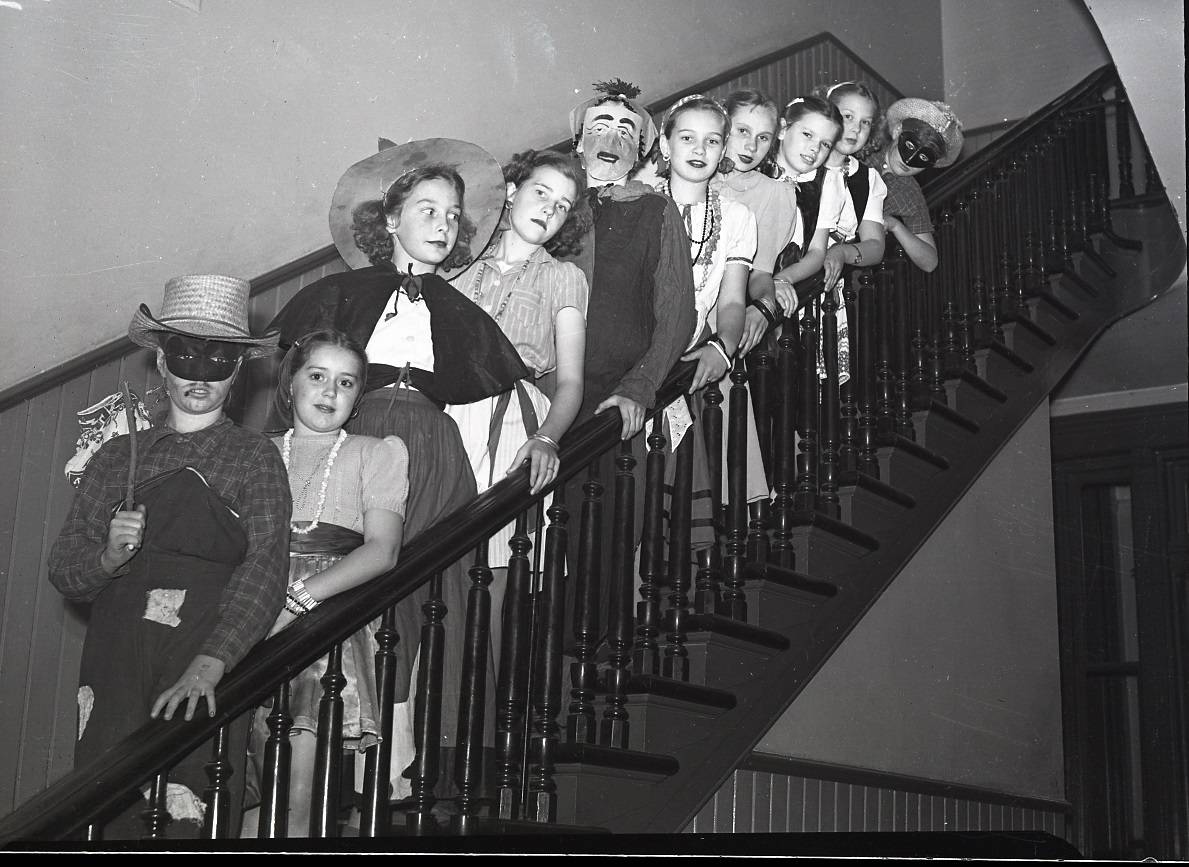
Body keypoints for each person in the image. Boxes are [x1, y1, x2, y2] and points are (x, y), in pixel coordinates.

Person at [266, 137, 526, 810]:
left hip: (434, 451)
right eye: (426, 209)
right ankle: (350, 770)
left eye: (452, 214)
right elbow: (297, 383)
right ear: (389, 220)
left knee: (431, 596)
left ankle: (412, 768)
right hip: (367, 435)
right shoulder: (341, 294)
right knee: (366, 599)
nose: (441, 224)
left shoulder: (462, 310)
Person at [47, 274, 291, 838]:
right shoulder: (115, 458)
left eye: (219, 360)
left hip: (202, 651)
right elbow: (65, 568)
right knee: (104, 800)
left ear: (238, 370)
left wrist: (213, 661)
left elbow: (265, 569)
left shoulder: (254, 457)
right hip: (117, 653)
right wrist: (107, 555)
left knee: (191, 802)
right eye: (185, 356)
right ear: (161, 363)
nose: (199, 375)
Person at [241, 329, 407, 838]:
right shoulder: (253, 451)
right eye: (317, 376)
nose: (330, 392)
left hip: (322, 622)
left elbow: (382, 549)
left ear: (358, 397)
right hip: (250, 609)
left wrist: (300, 599)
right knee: (243, 781)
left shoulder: (375, 453)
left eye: (346, 382)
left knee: (297, 788)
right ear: (290, 384)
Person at [651, 94, 769, 513]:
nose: (699, 150)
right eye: (687, 137)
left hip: (690, 354)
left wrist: (724, 346)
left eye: (712, 141)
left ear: (723, 151)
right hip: (636, 356)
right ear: (665, 145)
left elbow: (733, 300)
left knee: (676, 485)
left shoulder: (737, 217)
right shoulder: (639, 202)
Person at [715, 88, 800, 355]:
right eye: (742, 131)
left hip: (724, 313)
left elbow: (761, 271)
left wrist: (765, 304)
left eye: (763, 138)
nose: (752, 147)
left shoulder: (773, 193)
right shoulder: (697, 173)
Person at [870, 97, 965, 273]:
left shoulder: (910, 193)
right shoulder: (864, 150)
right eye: (909, 146)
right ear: (898, 131)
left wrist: (896, 226)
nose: (909, 161)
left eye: (923, 158)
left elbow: (930, 262)